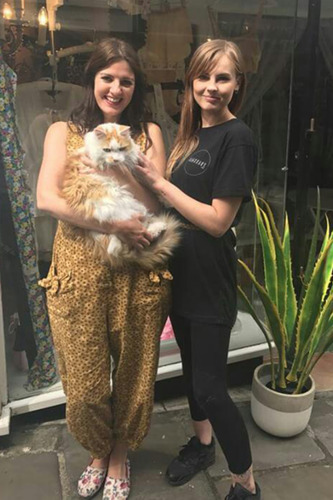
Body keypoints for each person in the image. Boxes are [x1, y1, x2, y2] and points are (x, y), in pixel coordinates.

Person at [37, 38, 171, 500]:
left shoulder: (149, 133)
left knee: (135, 376)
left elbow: (156, 202)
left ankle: (117, 455)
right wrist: (111, 219)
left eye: (126, 81)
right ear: (92, 79)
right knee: (86, 385)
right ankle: (96, 446)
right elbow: (47, 199)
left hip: (135, 273)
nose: (115, 89)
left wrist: (127, 157)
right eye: (107, 78)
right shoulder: (63, 131)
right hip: (78, 272)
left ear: (137, 86)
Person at [136, 39, 261, 500]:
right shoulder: (190, 136)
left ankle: (245, 480)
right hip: (181, 279)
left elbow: (216, 220)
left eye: (222, 77)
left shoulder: (237, 138)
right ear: (190, 81)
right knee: (192, 377)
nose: (212, 87)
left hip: (211, 284)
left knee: (210, 388)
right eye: (204, 77)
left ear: (237, 84)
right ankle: (203, 445)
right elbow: (173, 210)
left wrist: (161, 185)